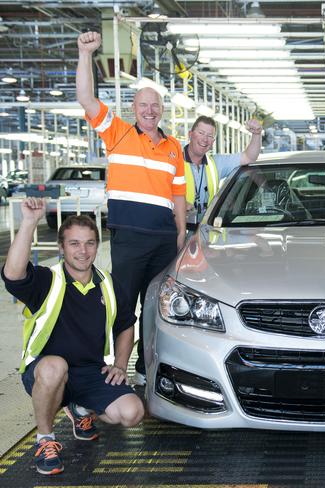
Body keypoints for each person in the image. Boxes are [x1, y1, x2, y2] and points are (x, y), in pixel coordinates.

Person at [2, 198, 144, 475]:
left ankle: (81, 410)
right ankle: (45, 439)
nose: (83, 251)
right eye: (74, 243)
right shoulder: (47, 280)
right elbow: (13, 275)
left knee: (131, 413)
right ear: (61, 247)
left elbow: (126, 324)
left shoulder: (108, 283)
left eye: (90, 243)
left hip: (89, 372)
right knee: (56, 366)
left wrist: (119, 364)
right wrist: (30, 222)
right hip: (45, 372)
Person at [76, 31, 186, 385]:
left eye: (155, 105)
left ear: (162, 110)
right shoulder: (118, 133)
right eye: (143, 105)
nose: (149, 111)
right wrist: (85, 53)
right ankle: (120, 367)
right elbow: (85, 98)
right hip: (129, 239)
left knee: (156, 308)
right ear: (134, 109)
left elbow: (179, 194)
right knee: (123, 306)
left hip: (164, 240)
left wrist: (182, 233)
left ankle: (147, 369)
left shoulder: (174, 148)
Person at [185, 115, 262, 222]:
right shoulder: (173, 161)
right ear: (190, 134)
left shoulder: (216, 164)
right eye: (201, 133)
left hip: (204, 229)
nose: (205, 139)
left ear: (213, 142)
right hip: (177, 229)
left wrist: (257, 134)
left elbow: (249, 157)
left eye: (210, 136)